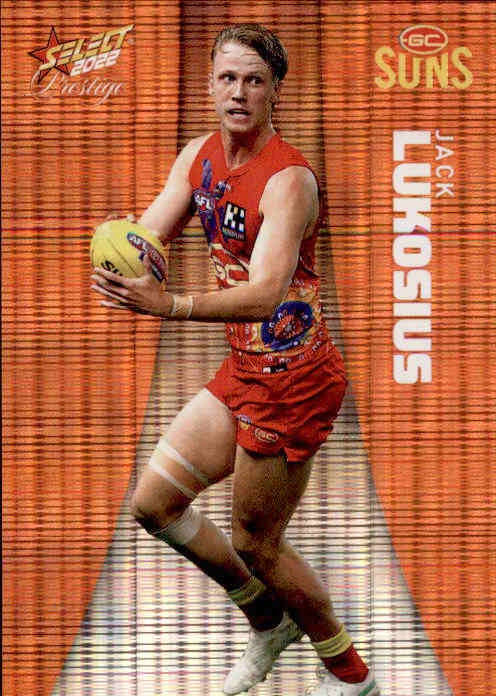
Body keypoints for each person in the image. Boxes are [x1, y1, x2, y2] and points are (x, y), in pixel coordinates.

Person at [91, 23, 380, 696]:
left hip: (295, 381)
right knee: (154, 505)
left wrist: (169, 305)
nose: (239, 92)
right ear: (210, 86)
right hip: (245, 371)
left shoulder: (289, 180)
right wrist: (119, 254)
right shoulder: (198, 157)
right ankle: (268, 623)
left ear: (277, 90)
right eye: (227, 78)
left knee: (257, 544)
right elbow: (150, 234)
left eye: (254, 80)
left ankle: (350, 675)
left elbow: (266, 293)